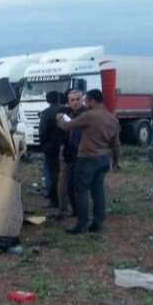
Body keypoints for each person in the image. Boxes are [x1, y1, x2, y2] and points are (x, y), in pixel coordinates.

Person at [56, 89, 121, 234]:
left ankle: (82, 224)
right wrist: (116, 161)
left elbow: (67, 126)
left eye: (85, 101)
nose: (84, 103)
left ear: (92, 101)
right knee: (98, 191)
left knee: (80, 191)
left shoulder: (89, 116)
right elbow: (116, 143)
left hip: (87, 158)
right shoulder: (112, 118)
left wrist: (59, 117)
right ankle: (98, 222)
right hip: (103, 158)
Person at [57, 89, 85, 216]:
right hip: (68, 150)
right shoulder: (66, 113)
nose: (75, 102)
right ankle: (72, 208)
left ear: (82, 100)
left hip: (82, 152)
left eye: (78, 99)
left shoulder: (87, 114)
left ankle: (79, 210)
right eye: (72, 100)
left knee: (78, 184)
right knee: (68, 183)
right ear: (68, 101)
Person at [38, 91, 66, 208]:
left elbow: (42, 132)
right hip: (66, 146)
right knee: (65, 174)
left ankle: (54, 200)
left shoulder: (46, 113)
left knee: (53, 174)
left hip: (51, 148)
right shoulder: (67, 111)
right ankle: (66, 199)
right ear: (59, 98)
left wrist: (43, 145)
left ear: (47, 100)